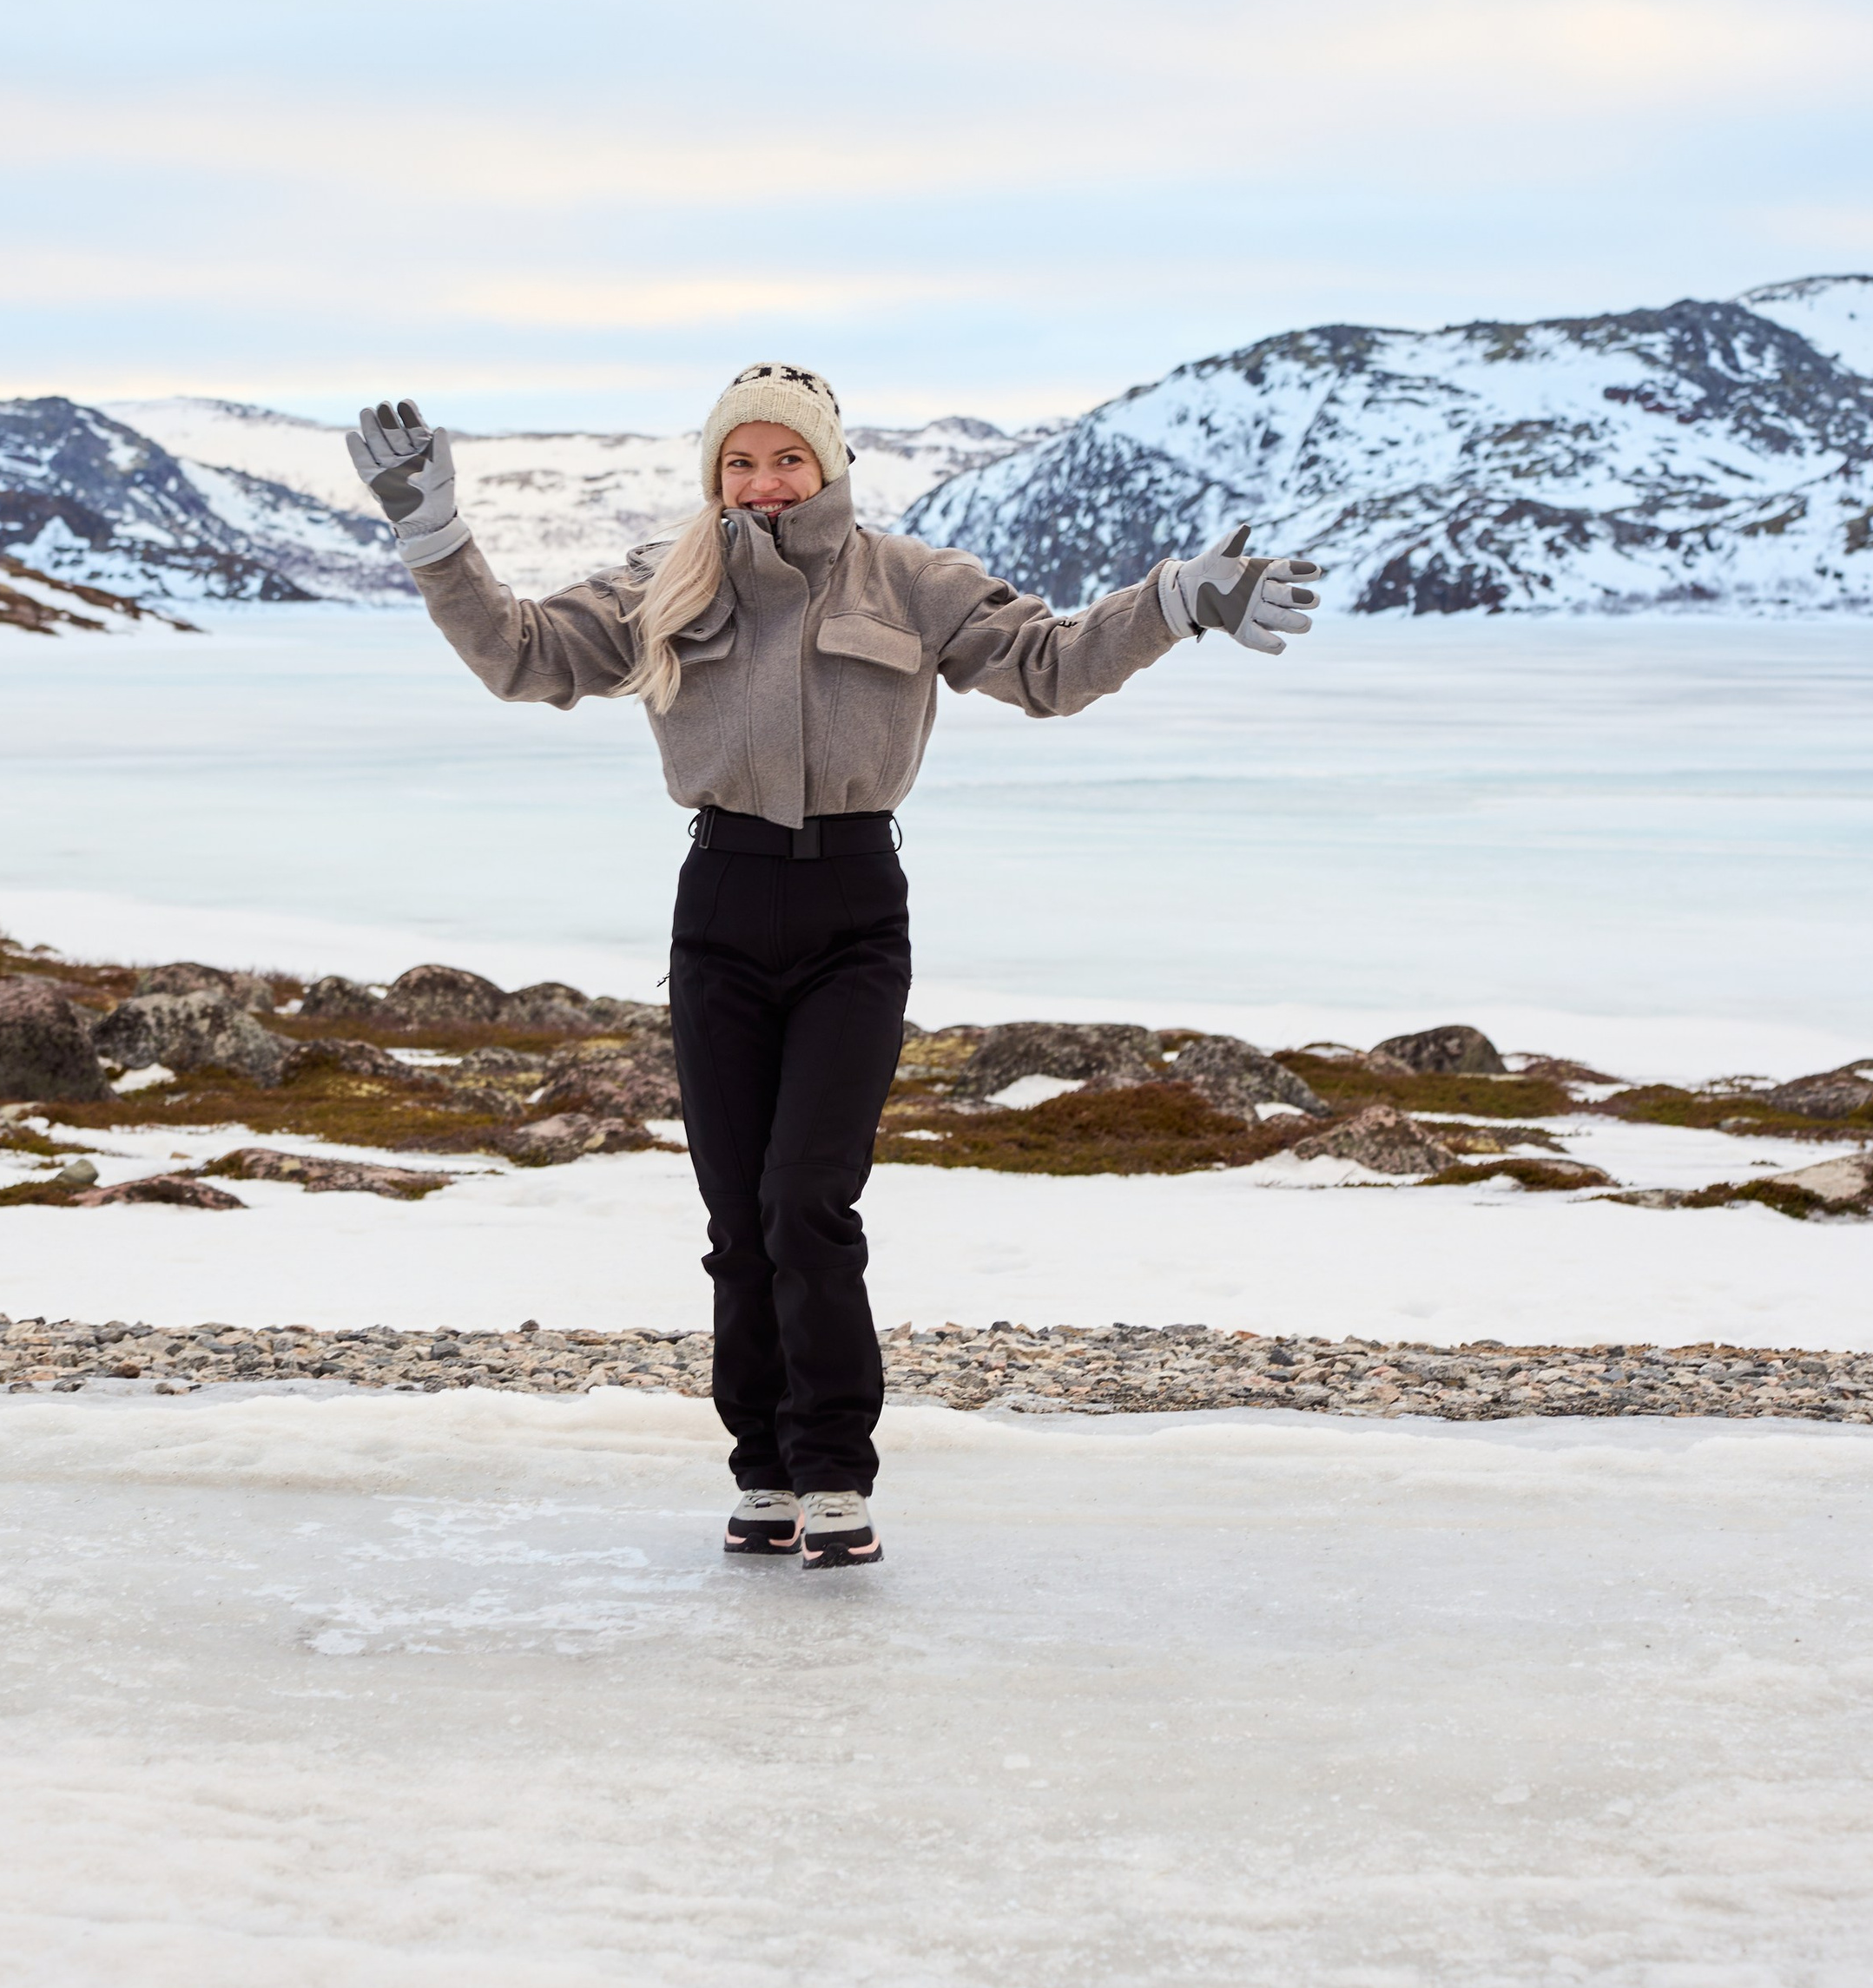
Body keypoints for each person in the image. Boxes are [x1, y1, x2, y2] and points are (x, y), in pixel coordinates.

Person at [347, 362, 1321, 1572]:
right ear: (716, 473)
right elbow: (523, 654)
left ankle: (835, 1476)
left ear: (830, 466)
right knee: (736, 1218)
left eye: (787, 459)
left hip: (854, 913)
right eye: (740, 462)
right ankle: (761, 1472)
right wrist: (432, 531)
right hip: (719, 906)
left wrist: (1172, 602)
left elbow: (1051, 666)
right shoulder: (664, 581)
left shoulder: (912, 582)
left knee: (809, 1200)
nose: (764, 483)